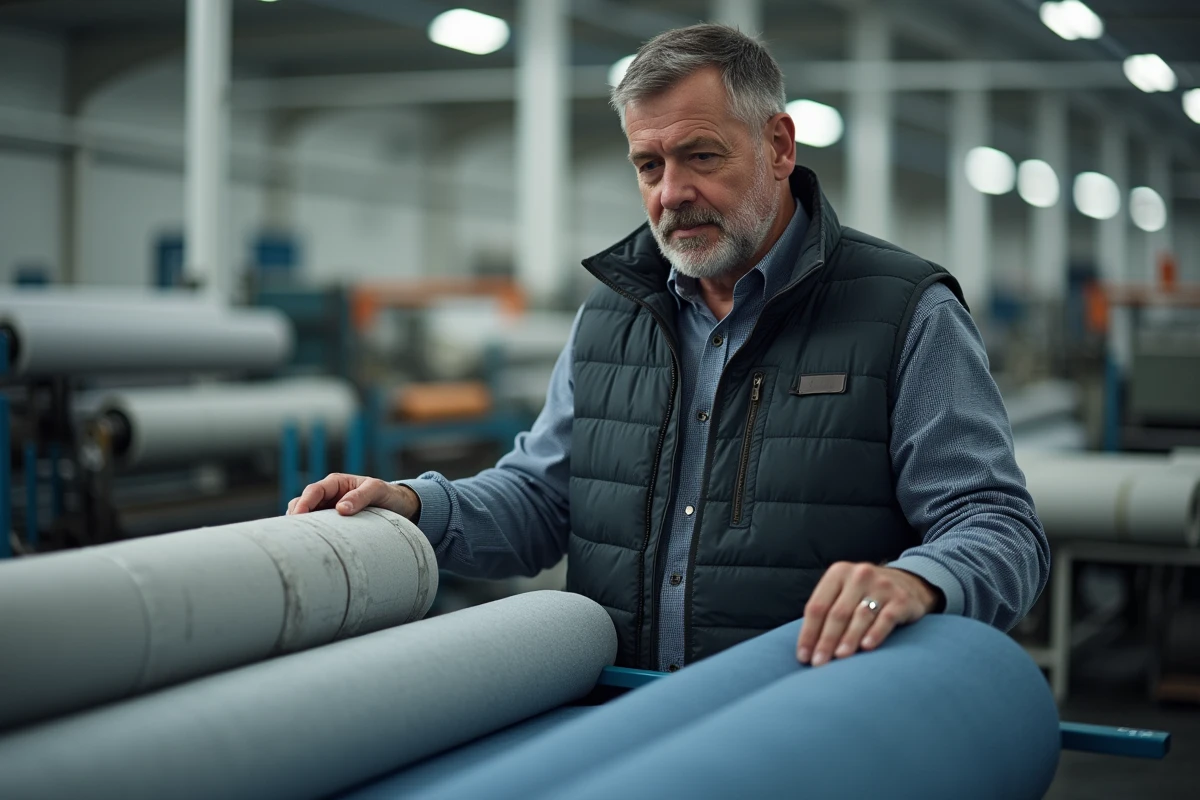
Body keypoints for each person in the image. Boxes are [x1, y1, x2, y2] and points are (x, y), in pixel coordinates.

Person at [289, 24, 1049, 673]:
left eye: (701, 157)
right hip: (633, 728)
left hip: (812, 729)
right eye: (649, 166)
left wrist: (919, 581)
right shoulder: (610, 317)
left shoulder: (905, 312)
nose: (670, 193)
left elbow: (997, 526)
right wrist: (416, 505)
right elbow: (542, 500)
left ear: (779, 146)